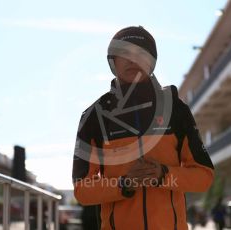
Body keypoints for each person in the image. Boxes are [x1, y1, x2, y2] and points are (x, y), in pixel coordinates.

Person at [72, 26, 214, 230]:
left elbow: (204, 177)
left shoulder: (176, 109)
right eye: (125, 54)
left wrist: (163, 175)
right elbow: (82, 191)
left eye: (141, 53)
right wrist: (123, 184)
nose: (133, 60)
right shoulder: (93, 116)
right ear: (113, 61)